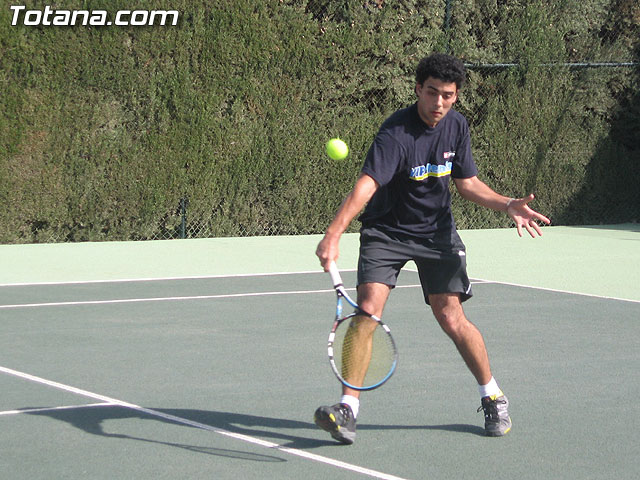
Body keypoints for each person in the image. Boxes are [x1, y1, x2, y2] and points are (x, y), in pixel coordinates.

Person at [313, 53, 551, 444]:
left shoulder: (456, 126)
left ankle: (492, 395)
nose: (439, 103)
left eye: (448, 95)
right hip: (386, 231)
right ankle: (347, 410)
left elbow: (467, 183)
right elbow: (368, 184)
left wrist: (507, 203)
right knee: (367, 312)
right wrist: (334, 234)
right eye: (432, 93)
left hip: (436, 234)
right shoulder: (395, 133)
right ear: (417, 90)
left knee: (451, 317)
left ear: (456, 96)